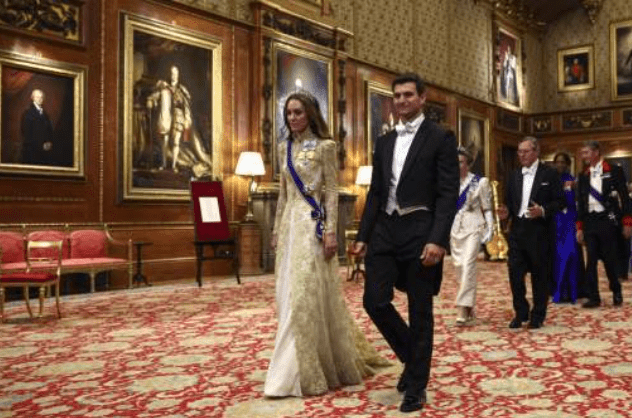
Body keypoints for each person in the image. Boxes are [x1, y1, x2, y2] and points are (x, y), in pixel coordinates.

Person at [264, 91, 389, 398]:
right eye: (289, 113)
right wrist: (277, 229)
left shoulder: (326, 146)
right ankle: (297, 361)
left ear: (310, 113)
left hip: (312, 227)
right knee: (287, 293)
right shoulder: (283, 147)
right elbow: (284, 194)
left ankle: (297, 371)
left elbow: (331, 192)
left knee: (305, 294)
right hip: (290, 227)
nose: (293, 118)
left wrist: (331, 231)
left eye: (298, 112)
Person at [351, 73, 459, 413]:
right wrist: (363, 235)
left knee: (420, 310)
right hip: (385, 230)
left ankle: (416, 387)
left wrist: (438, 240)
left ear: (422, 98)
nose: (401, 100)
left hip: (420, 231)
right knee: (374, 300)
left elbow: (448, 194)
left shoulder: (440, 137)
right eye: (397, 95)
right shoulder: (384, 141)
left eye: (408, 95)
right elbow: (376, 193)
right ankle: (415, 360)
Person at [497, 137, 565, 329]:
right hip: (517, 230)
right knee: (514, 273)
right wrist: (506, 212)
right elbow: (510, 203)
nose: (521, 155)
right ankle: (521, 311)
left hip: (539, 230)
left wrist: (542, 210)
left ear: (536, 152)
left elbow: (560, 202)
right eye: (519, 152)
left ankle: (538, 315)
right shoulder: (514, 175)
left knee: (539, 275)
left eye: (525, 151)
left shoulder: (549, 174)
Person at [576, 141, 632, 308]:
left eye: (586, 152)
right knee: (591, 260)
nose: (583, 156)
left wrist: (627, 222)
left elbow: (625, 198)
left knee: (609, 259)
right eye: (583, 153)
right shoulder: (583, 175)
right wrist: (579, 227)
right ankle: (594, 297)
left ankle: (616, 291)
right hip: (590, 221)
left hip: (608, 220)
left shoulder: (614, 170)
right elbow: (581, 203)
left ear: (596, 152)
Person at [450, 148, 493, 325]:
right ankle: (469, 306)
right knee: (460, 267)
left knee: (468, 264)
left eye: (461, 162)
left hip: (474, 226)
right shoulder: (449, 183)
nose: (457, 165)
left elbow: (487, 207)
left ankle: (462, 307)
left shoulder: (480, 182)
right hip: (455, 228)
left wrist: (490, 228)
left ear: (468, 164)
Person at [551, 152, 584, 303]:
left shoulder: (573, 181)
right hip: (555, 220)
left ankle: (572, 290)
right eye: (557, 162)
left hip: (570, 220)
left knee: (571, 254)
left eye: (563, 162)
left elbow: (576, 202)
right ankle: (557, 289)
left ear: (568, 164)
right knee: (556, 255)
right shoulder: (550, 180)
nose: (560, 165)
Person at [146, 65, 192, 173]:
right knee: (165, 142)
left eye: (175, 73)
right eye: (172, 73)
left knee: (176, 142)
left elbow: (187, 105)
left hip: (178, 118)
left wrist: (187, 118)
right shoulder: (164, 88)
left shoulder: (181, 89)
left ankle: (174, 166)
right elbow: (153, 97)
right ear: (169, 75)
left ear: (178, 75)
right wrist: (150, 102)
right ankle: (164, 164)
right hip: (166, 117)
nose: (173, 75)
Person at [20, 89, 55, 165]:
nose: (40, 99)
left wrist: (49, 142)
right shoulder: (28, 113)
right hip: (32, 151)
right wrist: (41, 145)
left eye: (41, 97)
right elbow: (26, 133)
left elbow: (49, 130)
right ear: (32, 98)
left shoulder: (45, 114)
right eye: (37, 97)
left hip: (45, 151)